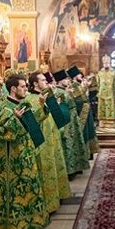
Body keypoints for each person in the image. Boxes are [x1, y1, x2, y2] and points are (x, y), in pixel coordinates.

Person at [0, 74, 50, 229]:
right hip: (11, 160)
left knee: (29, 188)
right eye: (22, 86)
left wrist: (41, 105)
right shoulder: (4, 107)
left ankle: (30, 225)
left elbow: (33, 122)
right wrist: (15, 120)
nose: (25, 89)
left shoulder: (22, 104)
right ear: (13, 89)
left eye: (25, 86)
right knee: (16, 193)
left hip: (25, 154)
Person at [25, 72, 70, 213]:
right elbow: (33, 120)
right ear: (35, 84)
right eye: (43, 80)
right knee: (45, 168)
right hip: (42, 141)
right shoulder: (30, 99)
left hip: (53, 137)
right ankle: (47, 202)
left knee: (55, 165)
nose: (46, 82)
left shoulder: (48, 95)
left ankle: (57, 196)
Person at [53, 70, 90, 179]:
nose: (68, 81)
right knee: (68, 145)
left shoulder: (64, 90)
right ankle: (69, 170)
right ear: (59, 81)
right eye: (65, 79)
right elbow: (61, 109)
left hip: (73, 120)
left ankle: (76, 167)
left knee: (75, 144)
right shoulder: (57, 92)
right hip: (67, 122)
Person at [68, 66, 99, 155]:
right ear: (74, 76)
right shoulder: (73, 85)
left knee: (89, 131)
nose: (80, 75)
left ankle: (89, 151)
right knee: (84, 131)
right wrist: (85, 87)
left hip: (85, 110)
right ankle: (85, 152)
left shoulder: (78, 84)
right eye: (78, 74)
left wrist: (85, 86)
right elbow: (78, 99)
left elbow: (83, 96)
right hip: (81, 112)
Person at [97, 55, 115, 128]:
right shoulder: (100, 72)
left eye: (107, 63)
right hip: (101, 93)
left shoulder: (114, 72)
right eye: (105, 63)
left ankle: (112, 122)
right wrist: (98, 91)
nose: (106, 64)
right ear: (103, 64)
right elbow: (98, 82)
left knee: (111, 106)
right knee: (102, 107)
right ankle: (102, 122)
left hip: (111, 92)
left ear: (110, 63)